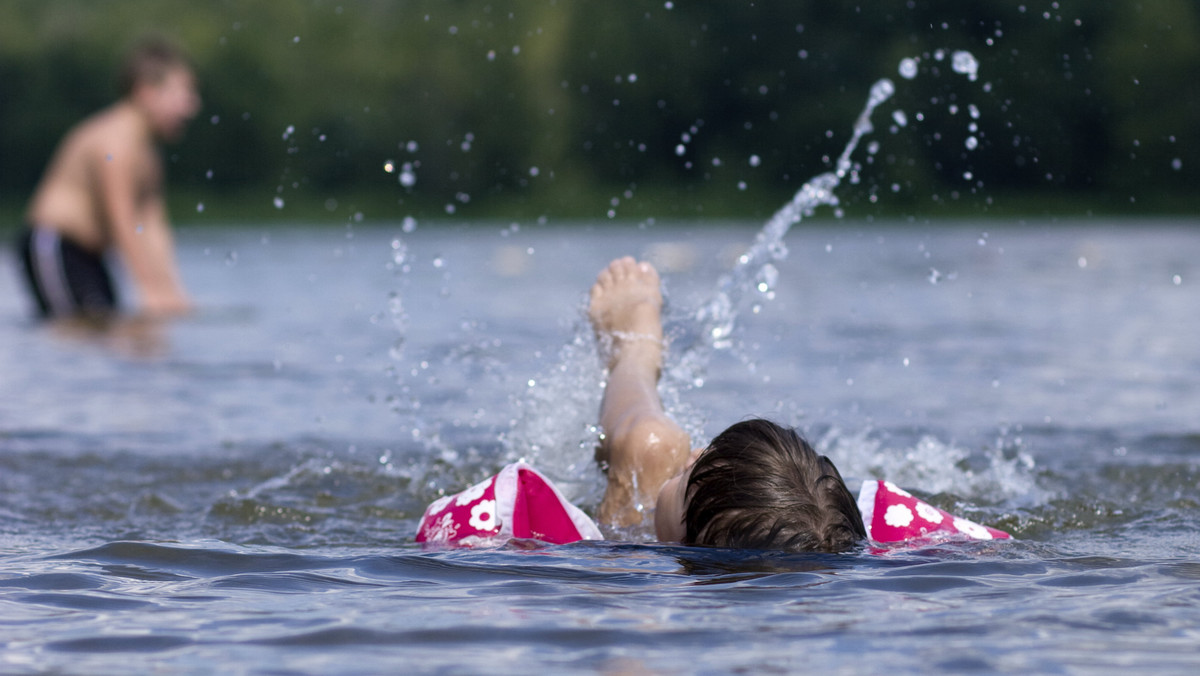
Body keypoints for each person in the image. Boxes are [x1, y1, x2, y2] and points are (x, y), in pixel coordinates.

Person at [587, 257, 868, 552]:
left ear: (684, 542)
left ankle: (635, 352)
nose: (692, 455)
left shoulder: (627, 579)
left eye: (686, 474)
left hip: (634, 507)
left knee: (651, 445)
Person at [15, 35, 200, 319]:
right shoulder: (115, 143)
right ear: (147, 92)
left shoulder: (149, 154)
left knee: (107, 326)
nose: (192, 107)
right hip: (53, 245)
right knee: (79, 328)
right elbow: (121, 219)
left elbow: (151, 227)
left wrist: (172, 292)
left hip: (89, 255)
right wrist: (149, 290)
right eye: (183, 94)